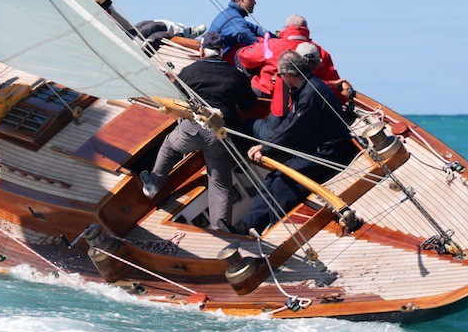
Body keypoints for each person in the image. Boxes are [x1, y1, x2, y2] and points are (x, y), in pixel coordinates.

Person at [238, 50, 358, 234]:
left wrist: (266, 147)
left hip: (329, 152)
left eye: (279, 75)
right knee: (271, 179)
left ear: (286, 75)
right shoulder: (303, 89)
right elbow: (289, 122)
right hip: (314, 149)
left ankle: (275, 232)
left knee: (282, 184)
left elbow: (295, 130)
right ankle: (248, 226)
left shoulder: (310, 94)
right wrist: (267, 144)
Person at [138, 58, 255, 233]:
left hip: (192, 129)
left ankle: (153, 185)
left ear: (203, 53)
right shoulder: (237, 76)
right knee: (220, 183)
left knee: (170, 146)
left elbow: (175, 97)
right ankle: (220, 226)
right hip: (220, 134)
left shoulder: (189, 70)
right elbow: (248, 105)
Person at [234, 14, 347, 115]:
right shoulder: (319, 52)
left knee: (241, 55)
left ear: (286, 29)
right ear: (306, 29)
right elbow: (330, 80)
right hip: (304, 99)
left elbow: (244, 57)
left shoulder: (270, 45)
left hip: (266, 96)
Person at [201, 0, 268, 63]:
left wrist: (275, 37)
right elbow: (247, 36)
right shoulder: (236, 20)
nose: (254, 2)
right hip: (217, 64)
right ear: (237, 1)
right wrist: (267, 49)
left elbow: (255, 29)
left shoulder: (231, 14)